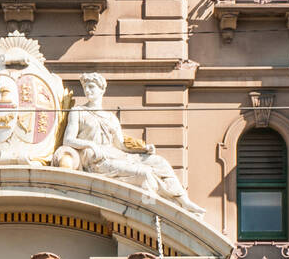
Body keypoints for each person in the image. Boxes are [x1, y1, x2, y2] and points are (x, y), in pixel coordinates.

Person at [63, 72, 207, 216]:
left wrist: (143, 148)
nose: (87, 90)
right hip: (97, 160)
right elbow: (68, 140)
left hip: (115, 154)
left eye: (91, 87)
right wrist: (90, 145)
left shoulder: (110, 117)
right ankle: (151, 212)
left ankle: (184, 201)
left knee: (159, 162)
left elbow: (120, 145)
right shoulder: (78, 111)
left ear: (102, 89)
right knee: (145, 174)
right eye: (85, 87)